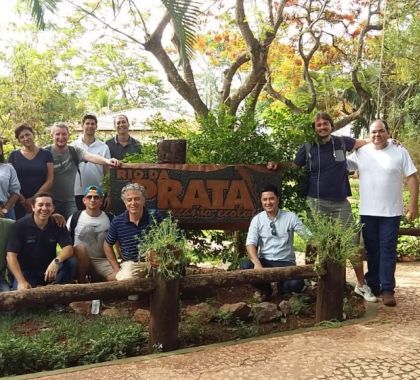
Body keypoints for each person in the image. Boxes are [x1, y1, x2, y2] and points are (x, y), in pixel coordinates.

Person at [270, 112, 377, 303]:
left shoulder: (342, 142)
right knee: (315, 241)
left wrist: (392, 142)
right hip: (316, 202)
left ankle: (361, 285)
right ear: (314, 128)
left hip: (340, 203)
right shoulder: (308, 147)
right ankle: (309, 280)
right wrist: (276, 164)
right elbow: (294, 166)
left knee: (351, 242)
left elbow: (367, 142)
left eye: (325, 124)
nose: (322, 127)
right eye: (318, 125)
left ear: (331, 125)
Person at [347, 120, 418, 307]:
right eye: (373, 132)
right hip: (367, 211)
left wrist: (413, 205)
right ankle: (373, 285)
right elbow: (341, 163)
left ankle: (387, 289)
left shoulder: (399, 151)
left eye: (381, 131)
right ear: (368, 134)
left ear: (387, 132)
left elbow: (411, 178)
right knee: (372, 251)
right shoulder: (361, 152)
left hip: (391, 212)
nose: (377, 135)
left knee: (387, 251)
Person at [241, 184, 308, 301]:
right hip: (265, 261)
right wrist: (257, 264)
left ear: (277, 199)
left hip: (286, 262)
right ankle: (266, 290)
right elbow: (250, 243)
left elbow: (309, 237)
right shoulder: (257, 219)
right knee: (246, 267)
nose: (268, 202)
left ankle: (282, 289)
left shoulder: (290, 217)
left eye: (271, 199)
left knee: (296, 284)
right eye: (265, 199)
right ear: (261, 201)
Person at [47, 123, 120, 219]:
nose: (61, 137)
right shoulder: (45, 152)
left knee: (73, 225)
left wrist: (107, 161)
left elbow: (90, 156)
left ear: (68, 135)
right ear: (52, 135)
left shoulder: (74, 151)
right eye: (57, 134)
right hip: (49, 200)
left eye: (64, 134)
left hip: (69, 201)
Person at [6, 192, 76, 290]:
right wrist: (21, 281)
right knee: (24, 301)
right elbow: (11, 256)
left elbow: (69, 248)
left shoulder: (58, 224)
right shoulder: (19, 226)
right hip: (26, 272)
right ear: (33, 207)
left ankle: (56, 296)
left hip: (49, 271)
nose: (44, 208)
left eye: (48, 205)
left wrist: (56, 262)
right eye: (40, 205)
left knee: (70, 262)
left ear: (53, 208)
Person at [104, 183, 162, 280]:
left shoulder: (154, 216)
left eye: (137, 199)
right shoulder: (118, 221)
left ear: (143, 200)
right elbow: (107, 245)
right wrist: (116, 268)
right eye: (129, 200)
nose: (133, 203)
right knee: (127, 278)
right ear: (125, 202)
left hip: (154, 262)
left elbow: (169, 240)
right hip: (131, 264)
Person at [67, 185, 116, 283]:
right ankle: (82, 284)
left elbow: (119, 241)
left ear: (101, 201)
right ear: (84, 200)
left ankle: (98, 279)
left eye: (96, 197)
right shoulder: (75, 217)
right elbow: (65, 240)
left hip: (101, 260)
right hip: (79, 260)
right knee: (80, 248)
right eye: (89, 197)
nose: (92, 200)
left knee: (118, 278)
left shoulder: (110, 218)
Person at [8, 124, 54, 219]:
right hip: (18, 201)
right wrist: (23, 200)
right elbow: (10, 181)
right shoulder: (13, 156)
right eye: (22, 137)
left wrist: (34, 198)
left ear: (33, 134)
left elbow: (50, 179)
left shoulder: (46, 154)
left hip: (41, 202)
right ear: (19, 140)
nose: (26, 138)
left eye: (27, 134)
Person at [71, 115, 111, 210]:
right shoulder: (73, 146)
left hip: (97, 192)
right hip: (77, 192)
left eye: (93, 124)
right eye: (87, 123)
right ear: (82, 125)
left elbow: (107, 173)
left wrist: (108, 194)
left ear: (96, 126)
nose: (90, 126)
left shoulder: (103, 147)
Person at [0, 140, 20, 220]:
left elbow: (15, 192)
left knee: (9, 232)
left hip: (6, 210)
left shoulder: (8, 168)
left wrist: (4, 210)